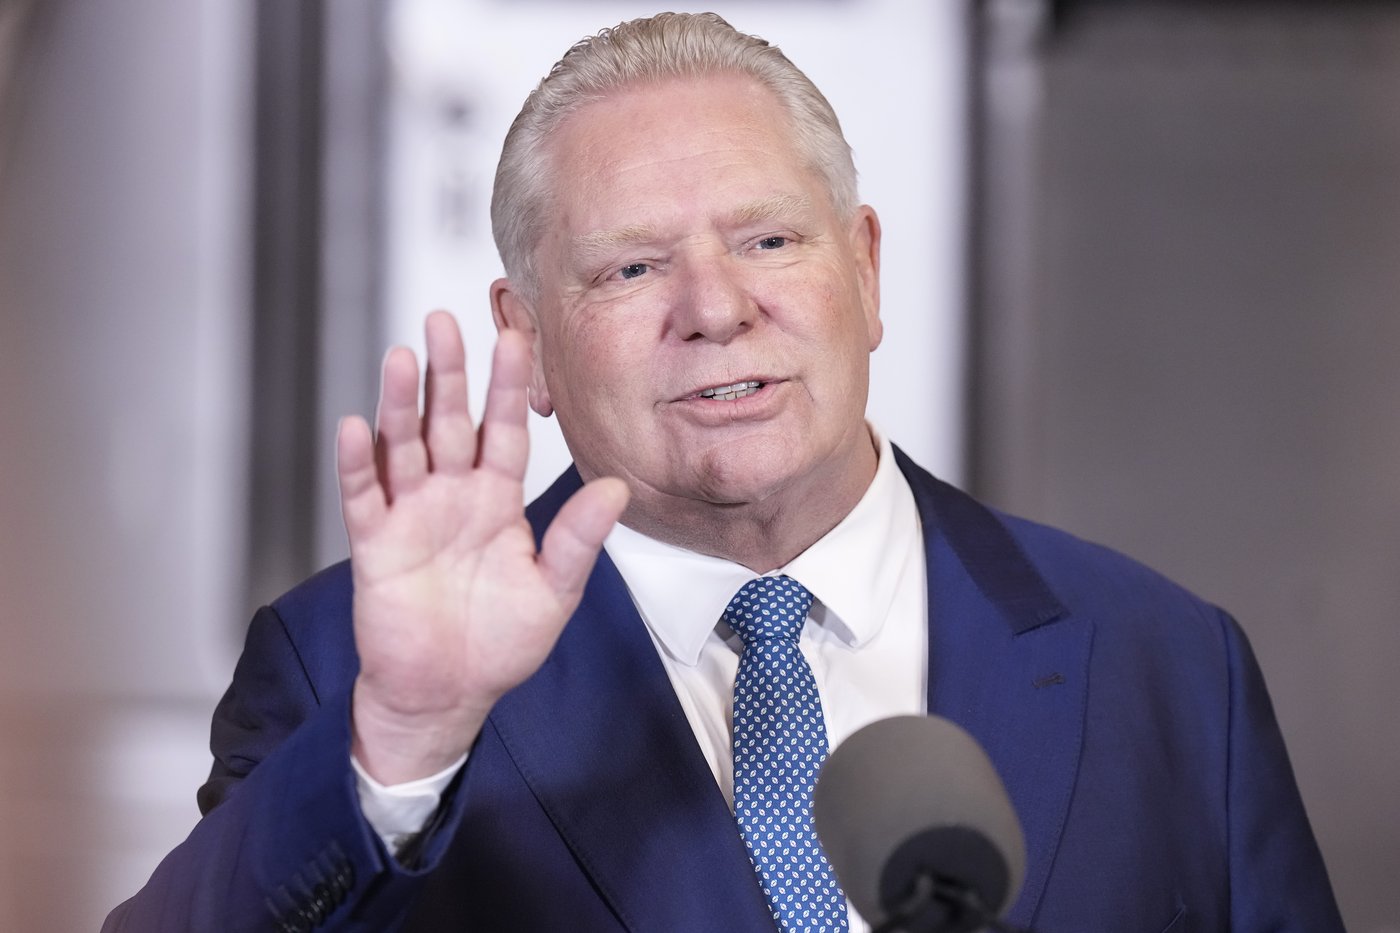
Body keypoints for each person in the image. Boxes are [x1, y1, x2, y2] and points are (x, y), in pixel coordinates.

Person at [106, 12, 1343, 933]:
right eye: (630, 269)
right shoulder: (351, 676)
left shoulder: (1171, 666)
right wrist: (407, 741)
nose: (714, 307)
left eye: (767, 239)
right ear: (525, 336)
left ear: (863, 270)